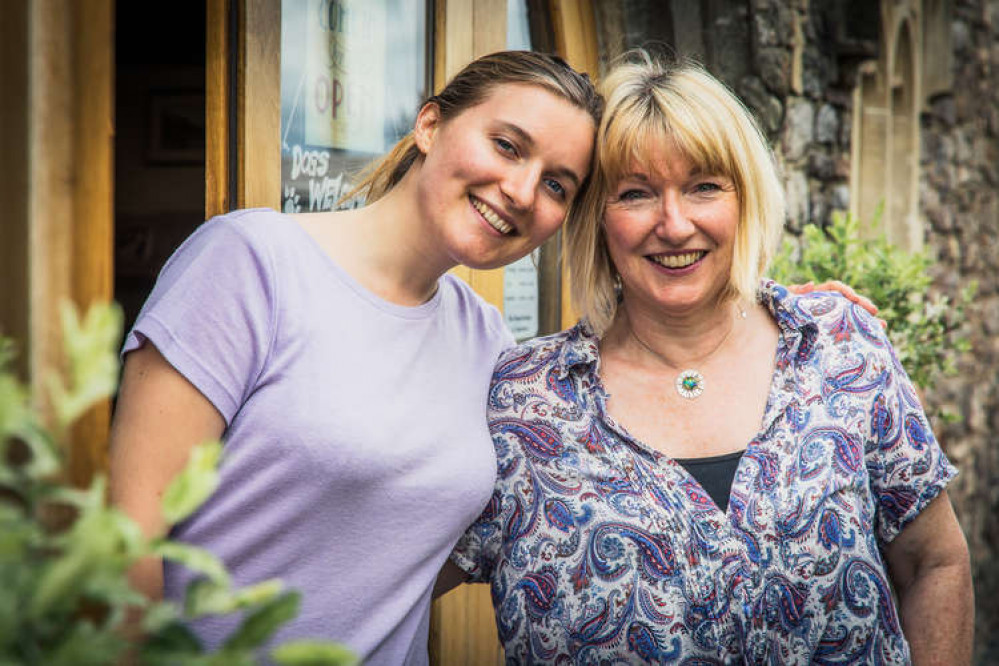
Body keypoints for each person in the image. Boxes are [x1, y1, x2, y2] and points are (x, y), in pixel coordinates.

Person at [450, 54, 973, 664]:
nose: (674, 225)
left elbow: (935, 562)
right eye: (636, 193)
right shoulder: (522, 401)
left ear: (744, 197)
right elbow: (388, 578)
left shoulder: (839, 347)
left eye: (704, 186)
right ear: (597, 219)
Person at [108, 50, 601, 664]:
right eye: (506, 145)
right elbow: (129, 541)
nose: (523, 191)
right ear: (429, 125)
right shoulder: (252, 263)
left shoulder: (489, 345)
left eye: (558, 184)